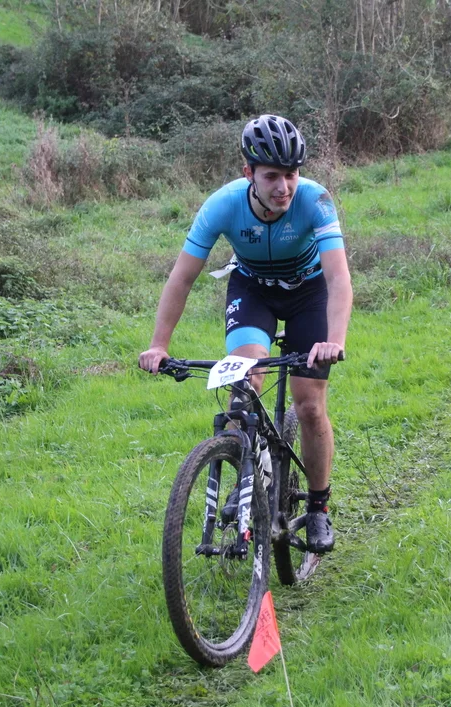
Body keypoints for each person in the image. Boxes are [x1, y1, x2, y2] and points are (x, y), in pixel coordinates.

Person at [139, 114, 352, 553]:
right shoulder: (223, 204)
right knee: (245, 381)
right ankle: (248, 473)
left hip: (308, 295)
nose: (284, 187)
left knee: (309, 405)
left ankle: (317, 507)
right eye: (272, 176)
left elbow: (338, 277)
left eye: (291, 175)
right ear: (248, 173)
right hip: (253, 291)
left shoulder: (316, 199)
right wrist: (159, 344)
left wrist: (334, 340)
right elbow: (181, 278)